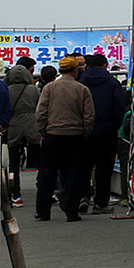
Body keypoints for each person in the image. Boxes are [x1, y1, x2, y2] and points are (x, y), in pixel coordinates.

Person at [35, 54, 94, 222]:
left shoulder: (49, 88)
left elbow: (40, 113)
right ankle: (72, 212)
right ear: (75, 70)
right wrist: (84, 133)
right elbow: (89, 116)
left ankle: (43, 212)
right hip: (75, 137)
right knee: (73, 176)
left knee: (47, 175)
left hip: (52, 136)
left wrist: (43, 131)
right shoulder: (82, 89)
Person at [79, 53, 128, 215]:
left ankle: (82, 197)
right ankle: (101, 202)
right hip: (107, 130)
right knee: (104, 167)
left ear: (87, 66)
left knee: (84, 166)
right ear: (105, 65)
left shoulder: (80, 82)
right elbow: (120, 106)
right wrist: (115, 125)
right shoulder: (112, 83)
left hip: (84, 132)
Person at [5, 57, 41, 206]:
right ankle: (46, 191)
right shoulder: (33, 89)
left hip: (14, 126)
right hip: (33, 125)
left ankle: (16, 195)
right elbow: (40, 107)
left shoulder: (6, 90)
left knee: (14, 163)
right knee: (40, 161)